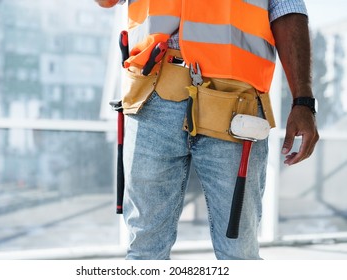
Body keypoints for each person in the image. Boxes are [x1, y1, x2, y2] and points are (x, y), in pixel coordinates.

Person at [95, 0, 319, 260]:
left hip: (234, 105)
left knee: (239, 252)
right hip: (151, 95)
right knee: (145, 250)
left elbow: (287, 9)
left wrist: (303, 100)